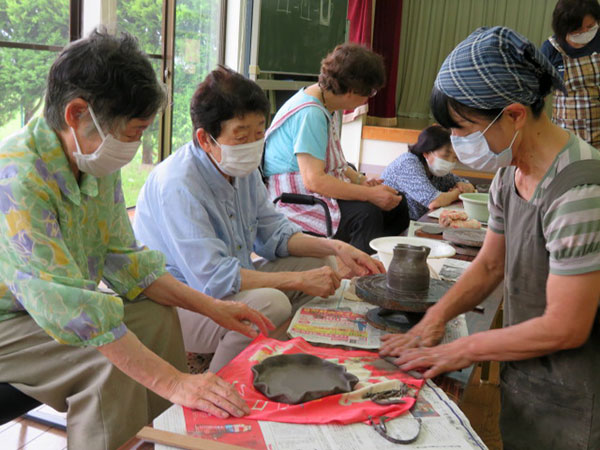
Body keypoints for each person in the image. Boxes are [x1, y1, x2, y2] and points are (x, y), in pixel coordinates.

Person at [0, 30, 275, 449]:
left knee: (156, 314)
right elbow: (72, 309)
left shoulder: (91, 162)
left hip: (44, 310)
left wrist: (213, 308)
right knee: (106, 362)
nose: (137, 145)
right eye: (134, 132)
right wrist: (178, 382)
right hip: (11, 320)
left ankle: (157, 438)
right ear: (77, 113)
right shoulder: (16, 179)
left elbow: (128, 262)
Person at [379, 26, 600, 449]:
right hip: (528, 376)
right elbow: (490, 264)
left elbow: (567, 326)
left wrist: (463, 348)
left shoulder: (579, 190)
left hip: (578, 392)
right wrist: (434, 320)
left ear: (514, 114)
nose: (458, 142)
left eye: (464, 128)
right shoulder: (507, 177)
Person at [133, 66, 384, 372]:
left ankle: (274, 354)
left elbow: (275, 233)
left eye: (259, 132)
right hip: (180, 305)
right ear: (205, 138)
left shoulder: (242, 170)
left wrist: (337, 248)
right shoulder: (178, 184)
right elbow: (215, 280)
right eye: (241, 136)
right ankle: (217, 384)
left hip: (223, 284)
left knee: (319, 264)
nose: (253, 144)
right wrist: (296, 280)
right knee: (272, 302)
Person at [263, 43, 410, 254]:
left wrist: (361, 181)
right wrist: (368, 195)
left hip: (313, 190)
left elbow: (333, 163)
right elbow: (314, 180)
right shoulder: (310, 113)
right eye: (370, 92)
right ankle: (359, 276)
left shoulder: (325, 104)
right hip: (296, 199)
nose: (368, 98)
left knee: (398, 204)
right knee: (367, 214)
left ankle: (387, 265)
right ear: (351, 91)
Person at [381, 125, 475, 220]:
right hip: (395, 227)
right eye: (446, 155)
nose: (450, 161)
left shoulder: (435, 170)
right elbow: (434, 201)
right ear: (426, 152)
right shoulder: (407, 164)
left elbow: (467, 185)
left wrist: (463, 186)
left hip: (417, 222)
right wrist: (458, 192)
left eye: (455, 157)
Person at [541, 0, 600, 148]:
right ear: (564, 27)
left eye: (590, 26)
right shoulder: (551, 49)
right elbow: (537, 94)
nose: (585, 32)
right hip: (565, 137)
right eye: (578, 30)